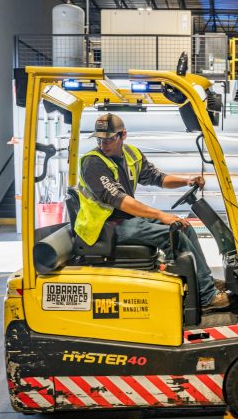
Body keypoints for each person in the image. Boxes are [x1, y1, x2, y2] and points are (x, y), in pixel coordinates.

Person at [75, 113, 229, 310]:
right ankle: (207, 296)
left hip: (124, 220)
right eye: (100, 139)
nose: (104, 145)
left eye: (109, 139)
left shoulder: (131, 154)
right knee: (173, 235)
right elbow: (119, 200)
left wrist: (186, 181)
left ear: (123, 135)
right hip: (104, 227)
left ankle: (203, 282)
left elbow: (158, 178)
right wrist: (160, 215)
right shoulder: (93, 163)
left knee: (184, 228)